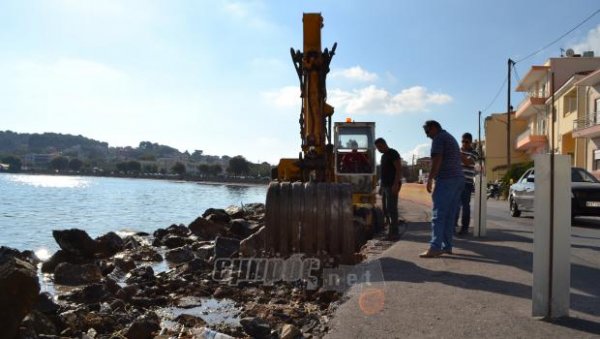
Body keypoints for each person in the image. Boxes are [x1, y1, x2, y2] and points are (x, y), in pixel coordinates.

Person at [420, 120, 464, 258]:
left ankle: (435, 247)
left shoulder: (439, 138)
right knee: (450, 215)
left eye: (427, 132)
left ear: (434, 128)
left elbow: (437, 160)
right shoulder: (450, 137)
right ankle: (447, 246)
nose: (427, 136)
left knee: (438, 215)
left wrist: (430, 179)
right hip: (458, 179)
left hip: (447, 179)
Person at [374, 138, 402, 239]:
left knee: (392, 209)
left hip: (392, 186)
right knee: (385, 209)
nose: (379, 149)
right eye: (377, 148)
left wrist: (395, 184)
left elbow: (398, 169)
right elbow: (383, 172)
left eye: (380, 147)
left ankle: (394, 233)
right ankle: (390, 231)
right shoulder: (383, 156)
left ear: (384, 144)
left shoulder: (393, 153)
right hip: (385, 186)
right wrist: (381, 186)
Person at [455, 132, 480, 236]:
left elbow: (467, 162)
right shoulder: (458, 151)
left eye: (466, 142)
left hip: (467, 183)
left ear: (470, 142)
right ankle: (453, 225)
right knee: (455, 205)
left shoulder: (474, 153)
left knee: (465, 206)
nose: (464, 144)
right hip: (455, 182)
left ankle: (464, 228)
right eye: (462, 141)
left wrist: (458, 153)